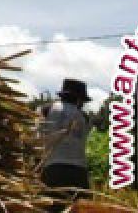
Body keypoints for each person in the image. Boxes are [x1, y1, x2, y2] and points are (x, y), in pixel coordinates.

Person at [38, 79, 92, 210]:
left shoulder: (46, 110)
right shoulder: (84, 117)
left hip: (53, 169)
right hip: (79, 172)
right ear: (79, 100)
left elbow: (39, 137)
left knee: (51, 208)